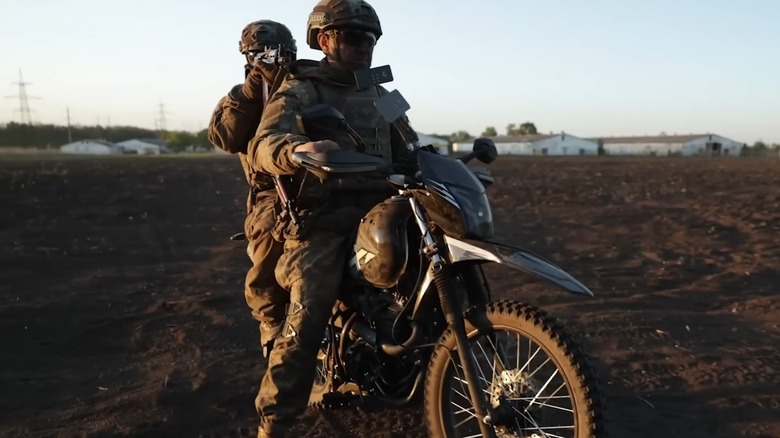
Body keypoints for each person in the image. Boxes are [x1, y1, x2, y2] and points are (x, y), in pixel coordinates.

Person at [246, 0, 416, 436]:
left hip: (383, 209)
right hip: (324, 215)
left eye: (370, 38)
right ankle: (274, 424)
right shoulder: (303, 88)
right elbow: (265, 143)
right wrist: (297, 151)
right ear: (325, 40)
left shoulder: (382, 93)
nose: (364, 46)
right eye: (352, 36)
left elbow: (411, 146)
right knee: (308, 314)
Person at [207, 19, 298, 359]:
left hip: (326, 184)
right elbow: (225, 138)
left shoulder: (306, 85)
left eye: (279, 53)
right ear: (248, 58)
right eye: (262, 54)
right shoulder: (241, 97)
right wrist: (252, 90)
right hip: (272, 193)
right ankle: (272, 326)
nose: (273, 60)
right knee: (268, 244)